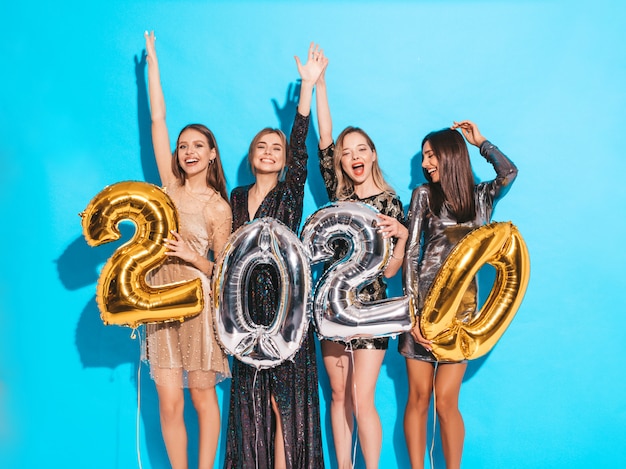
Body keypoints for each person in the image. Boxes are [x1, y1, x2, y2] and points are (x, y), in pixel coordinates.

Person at [223, 43, 327, 469]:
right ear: (251, 157)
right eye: (261, 147)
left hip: (287, 311)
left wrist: (307, 89)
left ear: (285, 162)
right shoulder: (235, 197)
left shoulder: (290, 191)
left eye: (276, 149)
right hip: (246, 315)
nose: (269, 151)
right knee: (252, 401)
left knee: (288, 401)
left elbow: (301, 145)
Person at [398, 121, 518, 469]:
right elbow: (412, 252)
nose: (425, 164)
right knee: (418, 398)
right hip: (422, 309)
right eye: (423, 157)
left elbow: (508, 171)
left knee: (446, 402)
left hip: (462, 314)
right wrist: (412, 313)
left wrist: (480, 142)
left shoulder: (481, 198)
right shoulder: (423, 194)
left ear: (450, 156)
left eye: (431, 155)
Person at [143, 31, 231, 469]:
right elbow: (158, 121)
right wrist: (153, 66)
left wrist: (192, 256)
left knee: (201, 395)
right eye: (184, 146)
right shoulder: (170, 187)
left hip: (197, 306)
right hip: (161, 301)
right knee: (167, 401)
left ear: (212, 154)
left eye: (198, 145)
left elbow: (226, 270)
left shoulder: (219, 207)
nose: (189, 150)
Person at [314, 61, 408, 469]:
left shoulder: (389, 203)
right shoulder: (337, 194)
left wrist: (402, 237)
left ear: (372, 155)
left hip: (370, 310)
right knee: (338, 395)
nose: (353, 156)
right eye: (346, 152)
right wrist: (319, 84)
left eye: (361, 150)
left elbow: (389, 272)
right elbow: (323, 138)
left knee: (361, 397)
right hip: (330, 307)